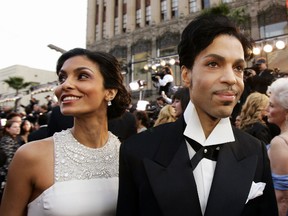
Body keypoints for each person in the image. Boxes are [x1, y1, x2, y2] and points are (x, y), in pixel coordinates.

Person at [116, 14, 278, 216]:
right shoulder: (137, 151)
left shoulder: (255, 151)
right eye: (213, 64)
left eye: (238, 68)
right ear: (186, 75)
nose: (231, 78)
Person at [0, 48, 131, 215]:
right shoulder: (30, 156)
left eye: (82, 76)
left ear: (110, 92)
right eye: (62, 78)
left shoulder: (128, 154)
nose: (65, 85)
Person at [266, 78, 288, 216]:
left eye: (272, 106)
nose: (266, 109)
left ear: (286, 112)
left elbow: (282, 199)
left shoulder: (279, 143)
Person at [0, 120, 21, 202]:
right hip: (6, 177)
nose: (17, 129)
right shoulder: (7, 141)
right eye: (15, 127)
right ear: (7, 129)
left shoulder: (13, 140)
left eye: (18, 127)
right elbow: (8, 162)